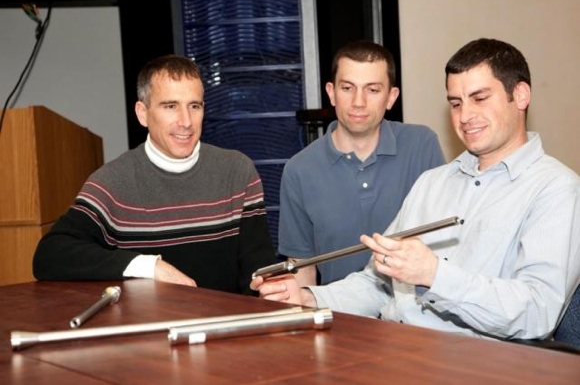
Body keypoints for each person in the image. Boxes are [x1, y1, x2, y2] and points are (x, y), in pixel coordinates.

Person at [252, 38, 580, 340]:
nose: (465, 115)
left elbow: (539, 312)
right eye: (455, 102)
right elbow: (379, 285)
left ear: (520, 95)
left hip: (474, 364)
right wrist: (310, 297)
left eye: (479, 98)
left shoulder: (556, 189)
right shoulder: (433, 182)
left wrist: (435, 275)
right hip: (392, 346)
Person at [33, 55, 276, 295]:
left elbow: (258, 273)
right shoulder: (113, 182)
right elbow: (49, 255)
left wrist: (273, 289)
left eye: (194, 106)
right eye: (170, 106)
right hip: (151, 330)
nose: (186, 122)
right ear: (142, 113)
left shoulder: (237, 171)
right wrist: (148, 266)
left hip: (226, 328)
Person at [279, 40, 445, 286]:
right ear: (331, 93)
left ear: (391, 97)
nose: (358, 102)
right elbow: (303, 270)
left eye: (373, 90)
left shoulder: (421, 145)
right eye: (347, 88)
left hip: (414, 315)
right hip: (341, 316)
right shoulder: (299, 170)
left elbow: (445, 243)